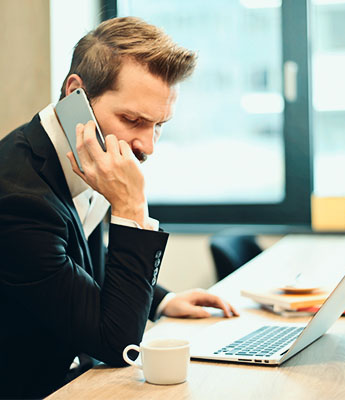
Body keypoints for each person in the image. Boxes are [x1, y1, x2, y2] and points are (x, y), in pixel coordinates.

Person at [0, 17, 238, 399]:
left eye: (159, 125)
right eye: (132, 120)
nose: (148, 145)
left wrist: (162, 300)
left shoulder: (77, 154)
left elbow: (74, 264)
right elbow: (117, 346)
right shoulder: (18, 201)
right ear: (76, 94)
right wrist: (130, 207)